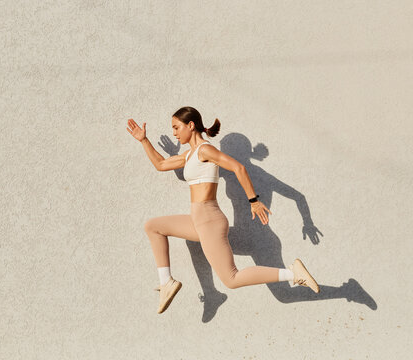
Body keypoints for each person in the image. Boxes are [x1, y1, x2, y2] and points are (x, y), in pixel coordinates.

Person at [126, 106, 319, 314]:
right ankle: (168, 283)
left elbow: (239, 168)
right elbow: (161, 164)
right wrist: (144, 141)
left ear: (190, 125)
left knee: (232, 279)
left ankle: (293, 273)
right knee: (153, 227)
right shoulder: (190, 154)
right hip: (199, 220)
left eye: (176, 127)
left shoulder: (206, 150)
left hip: (209, 220)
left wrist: (254, 200)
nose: (174, 133)